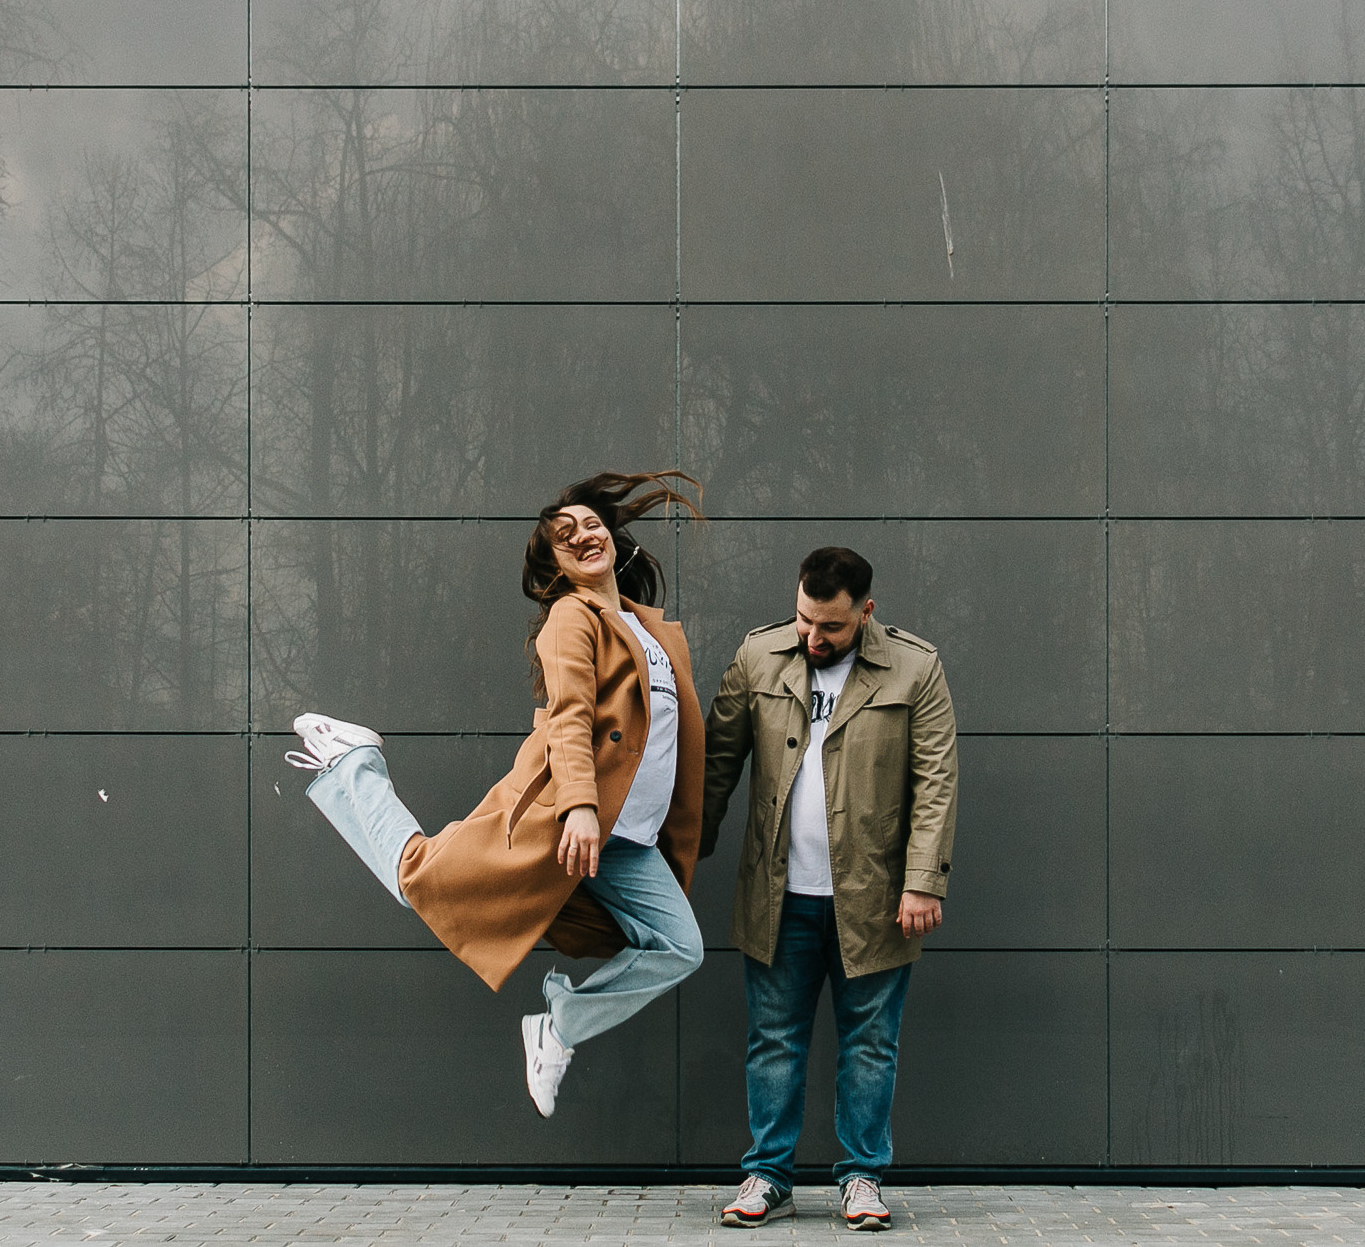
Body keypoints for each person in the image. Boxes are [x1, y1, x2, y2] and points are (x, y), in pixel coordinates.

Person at [285, 470, 707, 1117]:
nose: (583, 534)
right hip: (564, 821)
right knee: (418, 878)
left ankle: (558, 1022)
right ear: (558, 565)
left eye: (592, 523)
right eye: (566, 535)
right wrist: (582, 807)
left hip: (631, 842)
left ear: (616, 539)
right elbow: (569, 714)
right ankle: (354, 761)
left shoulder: (654, 630)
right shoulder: (572, 617)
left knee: (681, 948)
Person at [699, 546, 959, 1232]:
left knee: (871, 1044)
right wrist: (680, 848)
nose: (812, 637)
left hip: (875, 898)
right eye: (803, 619)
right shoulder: (759, 656)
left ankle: (862, 1177)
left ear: (866, 612)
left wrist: (923, 880)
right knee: (773, 1039)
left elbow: (936, 782)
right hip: (776, 892)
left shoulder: (916, 666)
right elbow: (717, 759)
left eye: (831, 627)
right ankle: (768, 1174)